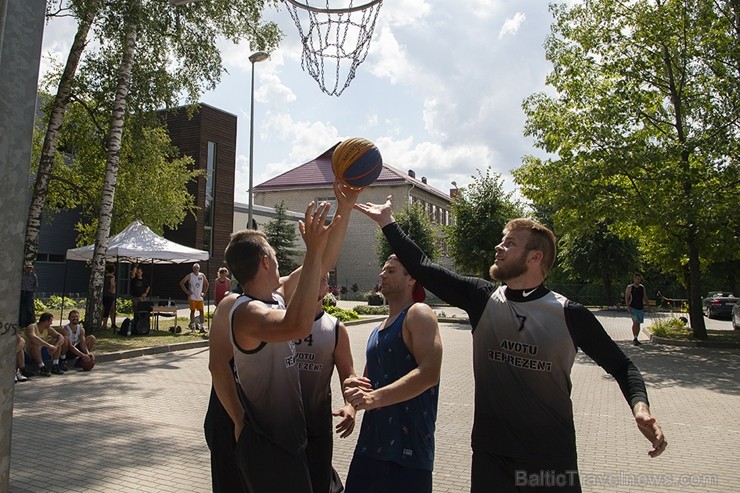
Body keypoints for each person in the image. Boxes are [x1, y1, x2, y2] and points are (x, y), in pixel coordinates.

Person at [354, 196, 667, 493]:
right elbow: (422, 266)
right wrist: (387, 222)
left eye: (509, 243)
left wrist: (640, 408)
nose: (498, 247)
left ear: (534, 257)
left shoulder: (569, 314)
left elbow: (622, 366)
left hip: (550, 461)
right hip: (491, 457)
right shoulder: (483, 299)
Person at [225, 182, 361, 492]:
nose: (277, 259)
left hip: (290, 442)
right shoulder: (246, 313)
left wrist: (346, 206)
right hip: (267, 446)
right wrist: (312, 250)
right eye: (273, 254)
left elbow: (322, 263)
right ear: (265, 261)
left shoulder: (276, 297)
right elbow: (296, 326)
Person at [343, 254, 442, 493]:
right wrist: (352, 406)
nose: (382, 275)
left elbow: (429, 373)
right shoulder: (378, 329)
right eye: (383, 270)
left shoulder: (419, 313)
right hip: (370, 445)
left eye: (391, 271)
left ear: (412, 279)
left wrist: (373, 398)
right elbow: (368, 383)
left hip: (408, 450)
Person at [298, 272, 358, 493]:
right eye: (312, 275)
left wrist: (351, 405)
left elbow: (348, 373)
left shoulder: (334, 328)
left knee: (318, 485)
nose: (316, 282)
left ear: (328, 288)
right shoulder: (282, 322)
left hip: (317, 425)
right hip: (282, 425)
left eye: (322, 279)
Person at [204, 291, 247, 493]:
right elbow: (217, 366)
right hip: (227, 423)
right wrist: (238, 419)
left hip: (250, 423)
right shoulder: (233, 304)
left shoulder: (270, 303)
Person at [24, 312, 68, 376]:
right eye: (51, 321)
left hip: (44, 351)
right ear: (46, 321)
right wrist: (48, 345)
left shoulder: (48, 329)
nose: (51, 323)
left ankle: (55, 364)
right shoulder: (32, 327)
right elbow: (33, 338)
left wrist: (56, 346)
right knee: (34, 344)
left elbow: (60, 336)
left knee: (57, 341)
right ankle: (42, 367)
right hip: (32, 353)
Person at [179, 263, 209, 332]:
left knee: (201, 311)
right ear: (193, 269)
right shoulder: (190, 275)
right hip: (192, 297)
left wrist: (204, 292)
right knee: (193, 311)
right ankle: (193, 326)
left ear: (199, 269)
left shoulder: (202, 275)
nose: (196, 269)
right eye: (195, 268)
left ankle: (201, 327)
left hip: (199, 297)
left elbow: (207, 284)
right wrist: (187, 291)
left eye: (197, 268)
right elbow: (182, 283)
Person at [625, 274, 650, 346]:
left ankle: (637, 337)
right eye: (637, 279)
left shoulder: (642, 287)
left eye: (639, 279)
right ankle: (634, 338)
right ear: (634, 279)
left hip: (640, 308)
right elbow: (627, 297)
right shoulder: (630, 287)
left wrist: (648, 306)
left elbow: (645, 297)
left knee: (638, 323)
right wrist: (628, 306)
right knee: (635, 322)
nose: (638, 280)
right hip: (633, 308)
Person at [19, 261, 38, 328]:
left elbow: (35, 285)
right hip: (22, 292)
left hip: (29, 293)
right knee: (21, 309)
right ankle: (21, 324)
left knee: (29, 309)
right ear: (25, 268)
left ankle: (29, 324)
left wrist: (33, 294)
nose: (28, 269)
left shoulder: (33, 276)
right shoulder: (22, 275)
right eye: (27, 268)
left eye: (30, 268)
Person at [102, 264, 117, 332]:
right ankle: (105, 325)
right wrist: (112, 290)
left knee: (105, 309)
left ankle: (104, 323)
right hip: (110, 295)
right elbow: (112, 285)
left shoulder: (103, 277)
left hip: (104, 295)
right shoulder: (112, 277)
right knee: (109, 310)